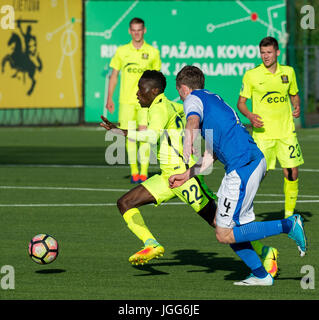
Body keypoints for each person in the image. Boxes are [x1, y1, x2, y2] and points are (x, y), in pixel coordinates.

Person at [169, 65, 307, 286]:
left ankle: (288, 225)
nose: (181, 96)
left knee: (224, 233)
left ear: (183, 88)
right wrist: (187, 175)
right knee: (221, 223)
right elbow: (212, 153)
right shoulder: (214, 101)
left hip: (243, 165)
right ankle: (261, 276)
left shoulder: (192, 99)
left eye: (179, 91)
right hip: (247, 162)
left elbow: (192, 122)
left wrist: (188, 143)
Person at [100, 70, 217, 265]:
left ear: (154, 91)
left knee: (220, 224)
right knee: (125, 203)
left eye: (141, 89)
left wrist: (121, 132)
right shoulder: (167, 104)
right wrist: (118, 127)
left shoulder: (159, 108)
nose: (137, 93)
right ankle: (151, 244)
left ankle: (264, 253)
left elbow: (152, 135)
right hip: (167, 177)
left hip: (184, 176)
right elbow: (179, 115)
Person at [237, 36, 304, 219]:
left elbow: (294, 95)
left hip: (286, 132)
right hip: (263, 135)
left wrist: (296, 105)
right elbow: (241, 103)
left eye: (269, 52)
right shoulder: (252, 75)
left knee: (292, 171)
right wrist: (250, 116)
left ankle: (289, 215)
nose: (265, 56)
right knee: (257, 174)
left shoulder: (288, 72)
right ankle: (242, 208)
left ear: (277, 52)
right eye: (262, 53)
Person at [105, 17, 161, 184]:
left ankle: (143, 174)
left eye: (139, 30)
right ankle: (134, 172)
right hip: (126, 102)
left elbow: (156, 79)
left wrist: (156, 101)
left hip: (145, 103)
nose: (137, 33)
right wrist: (109, 98)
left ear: (144, 30)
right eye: (134, 30)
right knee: (129, 137)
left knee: (144, 135)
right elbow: (114, 76)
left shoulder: (152, 52)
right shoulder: (122, 51)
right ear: (130, 31)